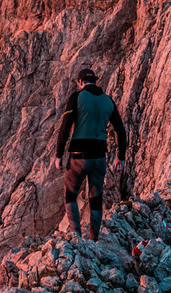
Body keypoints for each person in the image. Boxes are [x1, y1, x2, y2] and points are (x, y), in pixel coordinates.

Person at [52, 67, 129, 241]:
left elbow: (65, 128)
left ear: (80, 82)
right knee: (96, 197)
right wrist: (121, 157)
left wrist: (59, 155)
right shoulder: (108, 101)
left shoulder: (77, 97)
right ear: (95, 81)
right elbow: (121, 131)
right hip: (100, 158)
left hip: (78, 157)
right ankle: (93, 238)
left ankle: (77, 236)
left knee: (70, 195)